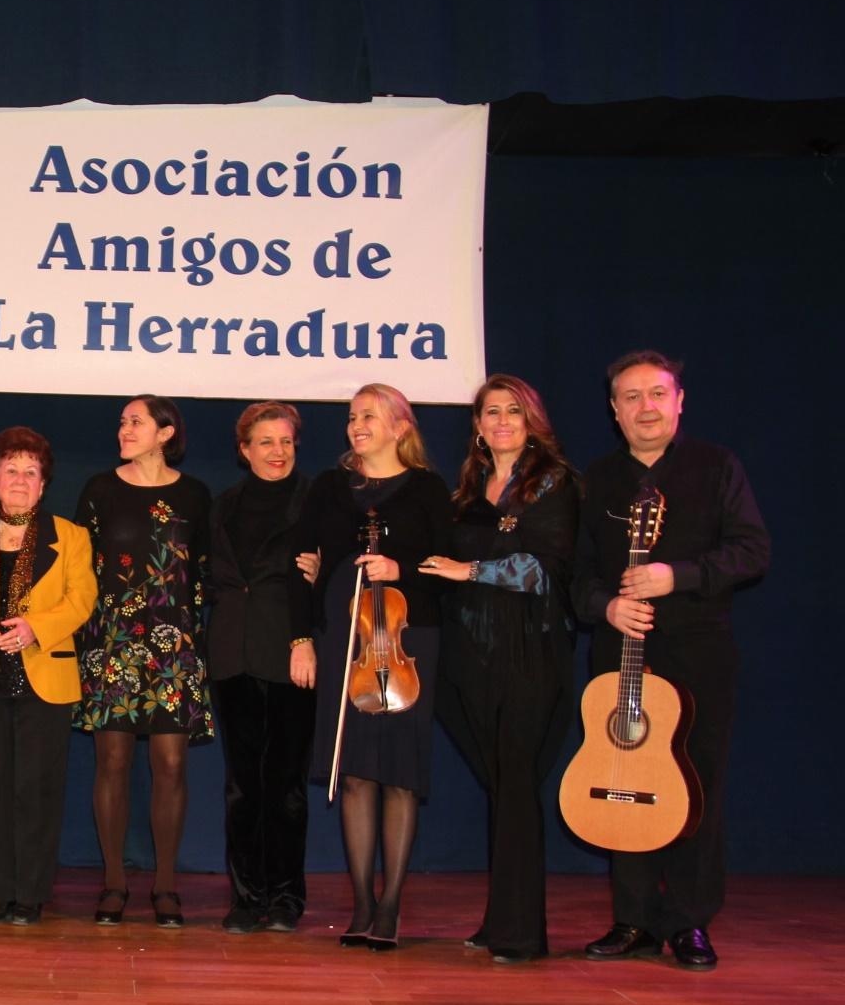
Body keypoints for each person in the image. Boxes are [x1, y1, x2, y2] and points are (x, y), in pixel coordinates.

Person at [571, 351, 768, 971]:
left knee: (695, 785)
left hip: (698, 650)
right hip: (620, 651)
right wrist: (605, 607)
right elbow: (576, 575)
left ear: (679, 401)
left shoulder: (717, 467)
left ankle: (688, 920)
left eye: (657, 394)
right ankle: (632, 919)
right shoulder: (597, 479)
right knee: (623, 778)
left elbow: (752, 551)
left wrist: (675, 575)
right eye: (631, 397)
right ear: (614, 410)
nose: (646, 407)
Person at [418, 374, 581, 964]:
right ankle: (502, 919)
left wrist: (470, 572)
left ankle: (521, 933)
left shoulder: (555, 482)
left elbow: (548, 569)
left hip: (528, 648)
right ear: (478, 425)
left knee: (514, 782)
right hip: (469, 653)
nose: (503, 421)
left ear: (532, 420)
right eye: (492, 411)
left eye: (514, 410)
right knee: (502, 787)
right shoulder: (467, 489)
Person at [299, 383, 453, 951]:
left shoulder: (428, 488)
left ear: (400, 427)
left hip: (409, 640)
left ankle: (391, 906)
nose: (356, 425)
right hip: (347, 637)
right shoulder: (330, 487)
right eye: (351, 416)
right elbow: (307, 560)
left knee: (401, 775)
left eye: (369, 415)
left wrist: (401, 568)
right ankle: (362, 902)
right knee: (357, 773)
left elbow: (446, 564)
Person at [0, 428, 96, 925]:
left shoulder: (71, 536)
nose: (20, 480)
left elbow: (82, 600)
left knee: (37, 791)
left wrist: (35, 628)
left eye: (31, 471)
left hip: (43, 677)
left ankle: (30, 894)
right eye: (11, 471)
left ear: (44, 484)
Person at [74, 395, 213, 928]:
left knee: (171, 765)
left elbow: (205, 570)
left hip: (173, 647)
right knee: (111, 762)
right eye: (122, 422)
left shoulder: (194, 494)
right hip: (113, 643)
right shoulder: (100, 489)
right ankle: (113, 882)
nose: (124, 430)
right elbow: (79, 569)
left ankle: (166, 885)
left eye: (136, 422)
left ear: (165, 432)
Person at [206, 402, 317, 934]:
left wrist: (307, 636)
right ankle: (248, 897)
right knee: (243, 785)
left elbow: (342, 574)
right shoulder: (223, 506)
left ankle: (287, 895)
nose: (278, 452)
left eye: (286, 442)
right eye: (266, 442)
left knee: (286, 784)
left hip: (293, 652)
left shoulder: (315, 501)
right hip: (232, 654)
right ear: (244, 450)